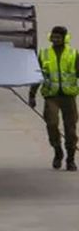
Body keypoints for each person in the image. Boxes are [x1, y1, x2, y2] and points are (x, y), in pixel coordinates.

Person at [30, 25, 78, 171]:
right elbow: (38, 76)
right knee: (51, 124)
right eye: (54, 37)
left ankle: (70, 158)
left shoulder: (73, 54)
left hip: (68, 97)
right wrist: (32, 94)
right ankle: (57, 151)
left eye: (59, 37)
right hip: (51, 96)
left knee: (70, 129)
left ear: (65, 38)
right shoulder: (44, 54)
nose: (55, 40)